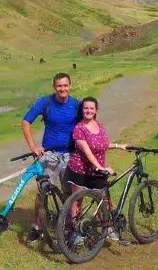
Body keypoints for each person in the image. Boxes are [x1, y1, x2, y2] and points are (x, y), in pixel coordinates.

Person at [21, 72, 80, 243]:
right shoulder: (45, 102)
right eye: (59, 86)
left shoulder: (76, 104)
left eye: (65, 85)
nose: (62, 88)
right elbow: (26, 122)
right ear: (54, 87)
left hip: (70, 155)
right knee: (43, 193)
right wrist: (33, 147)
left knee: (70, 193)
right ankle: (37, 227)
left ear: (70, 86)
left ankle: (70, 226)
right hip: (49, 155)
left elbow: (88, 124)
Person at [65, 96, 127, 241]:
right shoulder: (79, 129)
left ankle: (107, 227)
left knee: (103, 200)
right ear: (82, 110)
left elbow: (102, 144)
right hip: (80, 170)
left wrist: (119, 146)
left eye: (91, 108)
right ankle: (76, 231)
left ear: (96, 110)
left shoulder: (100, 125)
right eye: (85, 108)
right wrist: (101, 167)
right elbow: (88, 152)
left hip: (97, 172)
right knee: (76, 201)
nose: (88, 111)